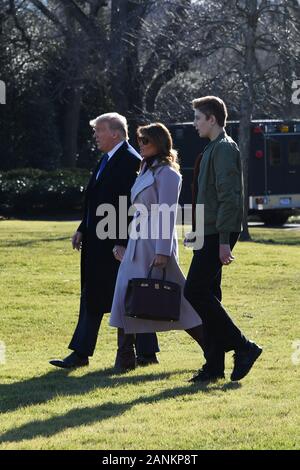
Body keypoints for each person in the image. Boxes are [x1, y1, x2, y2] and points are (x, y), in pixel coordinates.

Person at [49, 113, 159, 370]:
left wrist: (123, 242)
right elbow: (95, 200)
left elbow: (131, 207)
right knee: (96, 296)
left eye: (99, 131)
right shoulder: (107, 158)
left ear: (116, 133)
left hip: (116, 247)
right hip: (98, 244)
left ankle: (144, 352)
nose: (95, 136)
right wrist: (82, 229)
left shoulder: (130, 160)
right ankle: (82, 353)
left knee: (131, 296)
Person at [109, 123, 206, 369]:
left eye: (146, 142)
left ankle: (212, 347)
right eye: (140, 141)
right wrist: (126, 245)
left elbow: (167, 214)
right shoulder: (145, 169)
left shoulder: (168, 174)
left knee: (180, 303)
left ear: (160, 143)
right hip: (138, 242)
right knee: (124, 295)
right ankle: (125, 357)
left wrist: (163, 251)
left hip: (155, 245)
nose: (141, 146)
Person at [184, 96, 262, 382]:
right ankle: (214, 366)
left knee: (194, 291)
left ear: (212, 119)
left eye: (197, 118)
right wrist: (194, 235)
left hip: (219, 233)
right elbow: (205, 198)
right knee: (209, 295)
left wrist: (225, 240)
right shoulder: (212, 148)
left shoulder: (224, 148)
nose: (194, 124)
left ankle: (244, 347)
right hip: (206, 232)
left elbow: (230, 198)